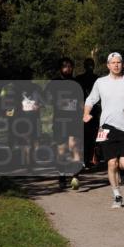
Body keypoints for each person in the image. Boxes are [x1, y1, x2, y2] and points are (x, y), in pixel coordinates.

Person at [83, 52, 124, 209]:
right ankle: (117, 195)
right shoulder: (101, 82)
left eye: (119, 62)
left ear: (122, 64)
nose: (116, 65)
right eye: (113, 62)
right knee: (111, 163)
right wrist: (86, 113)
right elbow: (90, 99)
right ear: (108, 65)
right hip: (107, 127)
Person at [50, 57, 82, 191]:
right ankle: (61, 176)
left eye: (70, 66)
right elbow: (46, 99)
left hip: (74, 120)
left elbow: (82, 101)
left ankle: (75, 176)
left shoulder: (77, 82)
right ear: (60, 68)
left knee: (74, 147)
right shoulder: (54, 83)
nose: (67, 68)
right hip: (60, 121)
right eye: (65, 66)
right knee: (62, 150)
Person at [77, 59, 99, 170]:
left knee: (93, 136)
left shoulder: (98, 79)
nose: (90, 67)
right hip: (82, 110)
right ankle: (82, 160)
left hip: (95, 110)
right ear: (84, 66)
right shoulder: (79, 79)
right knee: (83, 136)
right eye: (88, 65)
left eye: (92, 65)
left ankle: (90, 159)